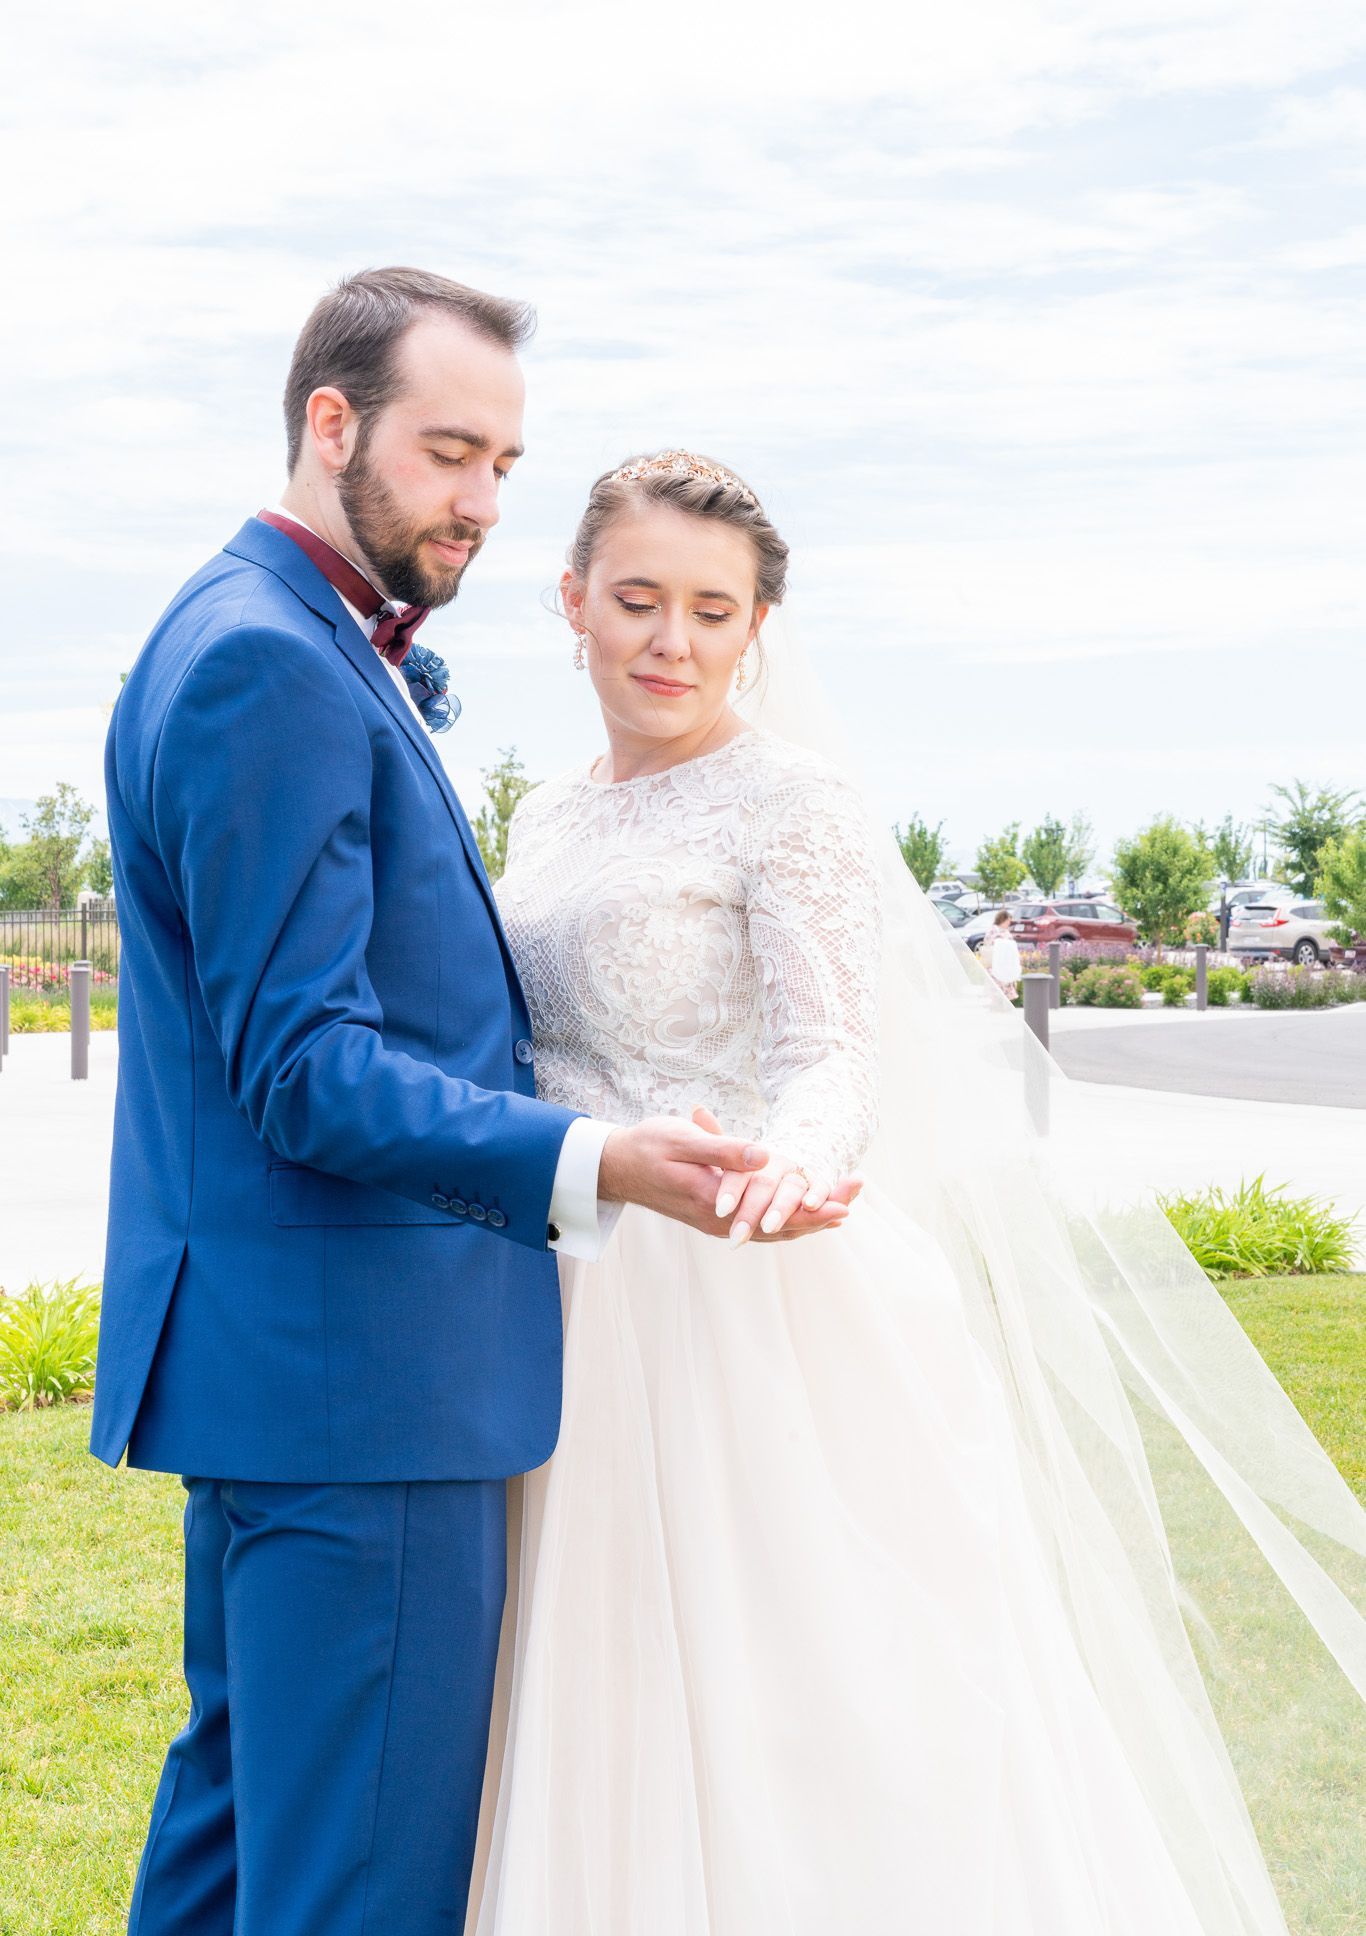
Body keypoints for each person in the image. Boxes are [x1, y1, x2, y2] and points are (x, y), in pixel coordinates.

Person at [470, 449, 1366, 1934]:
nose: (669, 642)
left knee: (811, 1712)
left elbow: (832, 1055)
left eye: (711, 609)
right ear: (571, 601)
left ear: (759, 625)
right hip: (570, 1289)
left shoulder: (790, 799)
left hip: (751, 1293)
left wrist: (795, 1169)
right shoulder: (546, 817)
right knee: (593, 1693)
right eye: (635, 600)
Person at [92, 283, 856, 1936]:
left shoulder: (248, 632)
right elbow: (302, 1062)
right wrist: (595, 1157)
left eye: (505, 462)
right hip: (364, 1382)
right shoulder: (265, 664)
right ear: (328, 421)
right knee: (354, 1879)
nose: (483, 504)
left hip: (294, 1371)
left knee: (239, 1843)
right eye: (451, 453)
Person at [981, 905, 1022, 998]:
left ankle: (1004, 1004)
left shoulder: (1005, 931)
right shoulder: (994, 930)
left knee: (1005, 982)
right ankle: (997, 1003)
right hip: (995, 963)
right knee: (997, 983)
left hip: (1005, 963)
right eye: (1008, 921)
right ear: (1002, 919)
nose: (1009, 923)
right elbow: (991, 943)